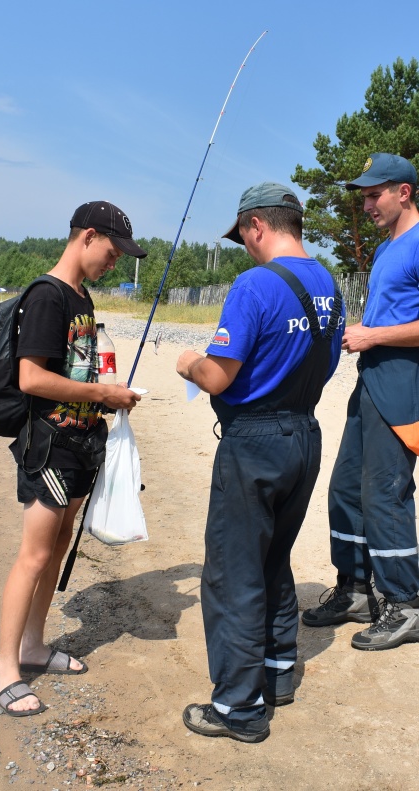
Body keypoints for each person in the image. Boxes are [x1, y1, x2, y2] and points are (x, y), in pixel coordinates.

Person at [176, 182, 344, 743]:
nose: (245, 247)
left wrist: (187, 363)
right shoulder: (331, 284)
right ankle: (277, 673)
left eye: (243, 237)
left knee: (233, 574)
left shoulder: (253, 286)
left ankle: (238, 708)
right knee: (273, 559)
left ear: (257, 227)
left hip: (254, 442)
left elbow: (219, 375)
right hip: (306, 434)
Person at [0, 201, 145, 716]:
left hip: (81, 442)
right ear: (88, 236)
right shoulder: (49, 296)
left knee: (56, 547)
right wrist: (102, 395)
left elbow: (76, 371)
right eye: (113, 251)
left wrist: (104, 391)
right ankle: (5, 670)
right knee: (33, 555)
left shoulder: (82, 298)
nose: (115, 262)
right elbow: (31, 378)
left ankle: (33, 646)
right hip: (49, 448)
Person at [302, 153, 419, 650]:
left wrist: (373, 337)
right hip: (370, 383)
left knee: (385, 493)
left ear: (404, 192)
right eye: (365, 195)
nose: (367, 203)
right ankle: (353, 589)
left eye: (375, 194)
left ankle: (405, 604)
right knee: (346, 488)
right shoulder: (388, 246)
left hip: (402, 388)